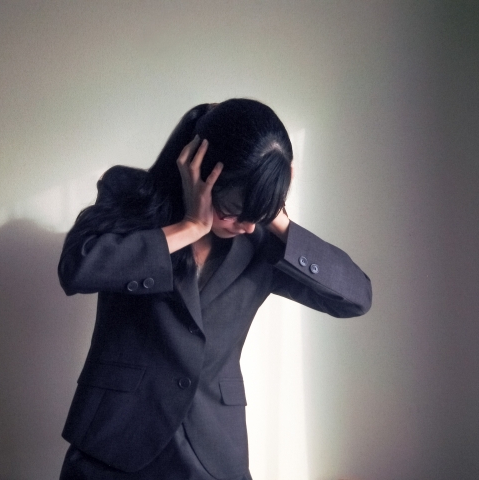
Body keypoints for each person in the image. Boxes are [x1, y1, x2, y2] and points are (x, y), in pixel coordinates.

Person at [57, 99, 372, 480]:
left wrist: (276, 217)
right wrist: (189, 227)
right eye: (232, 210)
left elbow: (356, 298)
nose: (245, 226)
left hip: (213, 451)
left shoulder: (264, 242)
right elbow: (78, 269)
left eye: (256, 217)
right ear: (201, 172)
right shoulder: (128, 193)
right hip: (115, 441)